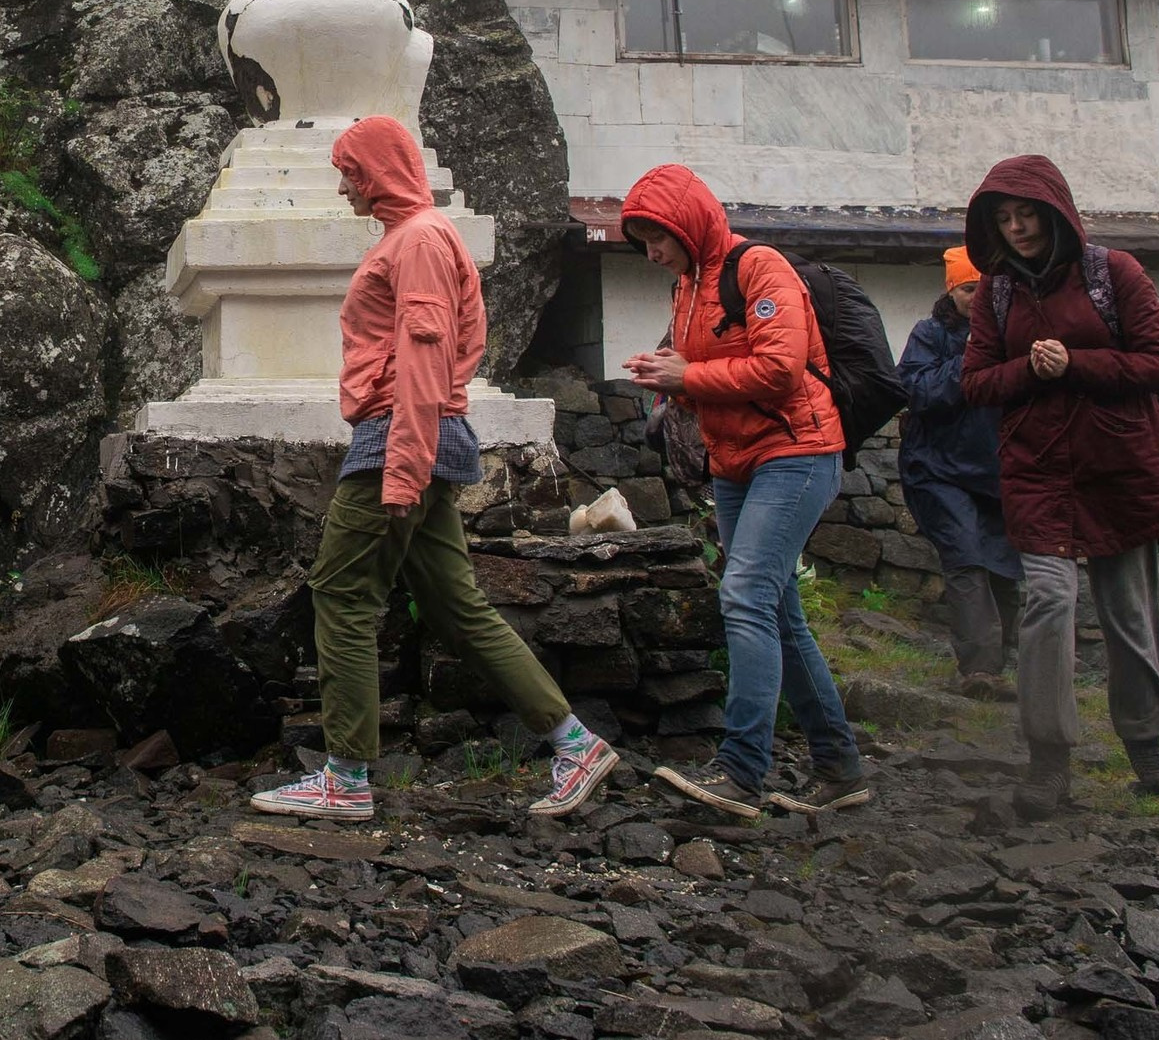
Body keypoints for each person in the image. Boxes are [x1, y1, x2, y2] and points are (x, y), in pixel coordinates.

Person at [251, 115, 618, 823]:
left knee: (343, 595)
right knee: (455, 606)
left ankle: (345, 779)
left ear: (377, 170)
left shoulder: (417, 240)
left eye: (349, 172)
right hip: (424, 434)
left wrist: (402, 468)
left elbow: (423, 360)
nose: (343, 187)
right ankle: (575, 744)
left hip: (400, 435)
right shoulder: (421, 235)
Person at [619, 163, 870, 820]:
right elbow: (706, 372)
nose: (652, 252)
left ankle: (740, 771)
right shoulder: (686, 286)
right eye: (642, 242)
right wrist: (669, 378)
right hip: (733, 462)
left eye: (658, 237)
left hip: (798, 452)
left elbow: (781, 369)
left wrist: (688, 376)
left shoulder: (759, 268)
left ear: (687, 225)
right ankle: (840, 770)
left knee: (746, 595)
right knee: (777, 611)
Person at [960, 155, 1159, 817]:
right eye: (1004, 219)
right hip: (1037, 468)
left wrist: (1076, 363)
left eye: (1026, 214)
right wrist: (1029, 371)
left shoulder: (1114, 273)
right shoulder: (996, 292)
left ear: (1055, 211)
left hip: (1118, 464)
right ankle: (1049, 762)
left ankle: (1147, 749)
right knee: (1048, 606)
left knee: (1129, 611)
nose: (1017, 228)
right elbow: (974, 382)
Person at [896, 245, 1021, 692]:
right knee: (966, 556)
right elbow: (917, 391)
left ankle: (1008, 662)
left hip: (996, 469)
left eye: (986, 289)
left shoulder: (1014, 334)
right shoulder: (930, 334)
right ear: (951, 291)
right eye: (969, 289)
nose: (977, 297)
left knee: (1003, 563)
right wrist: (970, 356)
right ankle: (980, 669)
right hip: (937, 467)